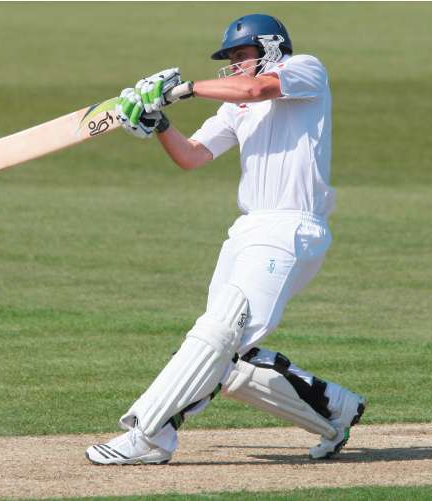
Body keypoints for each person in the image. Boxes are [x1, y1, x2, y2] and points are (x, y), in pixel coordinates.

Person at [86, 13, 366, 466]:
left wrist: (183, 89)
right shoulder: (236, 108)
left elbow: (257, 88)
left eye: (241, 56)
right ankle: (333, 408)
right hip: (248, 229)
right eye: (231, 59)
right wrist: (159, 123)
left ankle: (148, 434)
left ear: (271, 47)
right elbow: (192, 157)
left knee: (219, 333)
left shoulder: (305, 70)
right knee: (226, 355)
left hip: (290, 227)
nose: (235, 66)